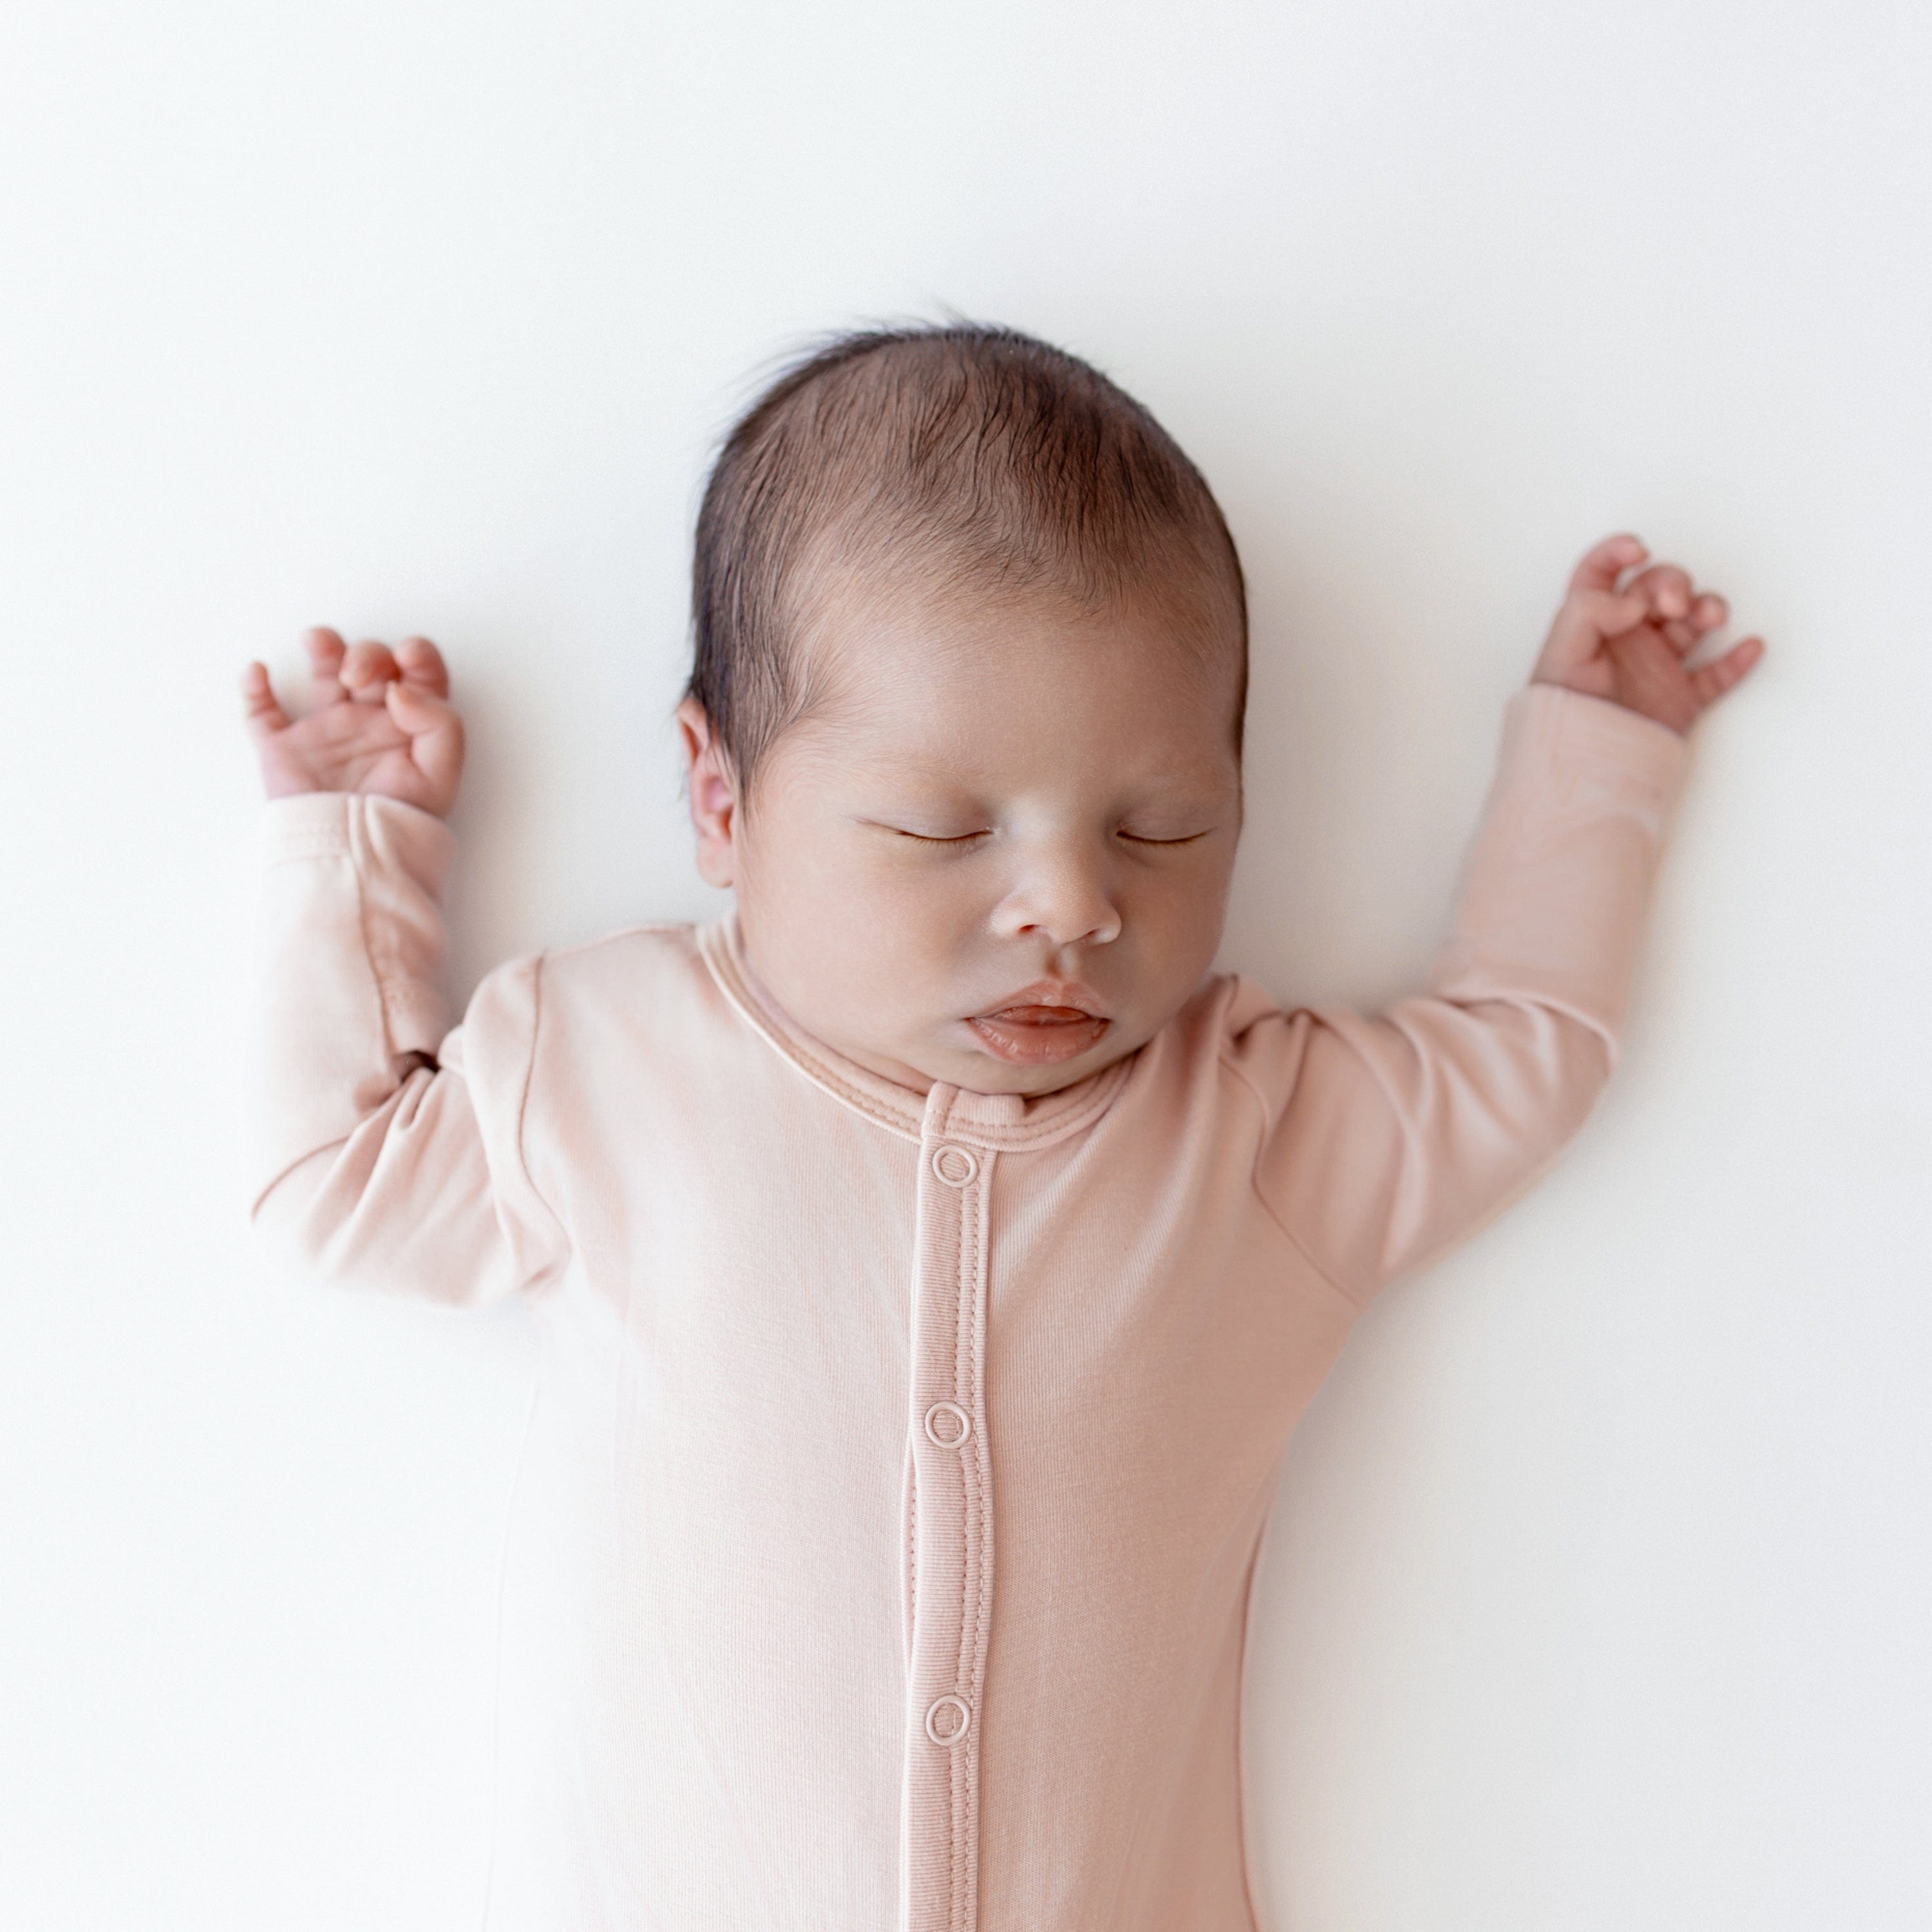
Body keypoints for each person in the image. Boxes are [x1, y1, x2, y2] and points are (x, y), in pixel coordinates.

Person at [238, 323, 1762, 1932]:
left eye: (1160, 831)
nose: (1071, 907)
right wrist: (356, 840)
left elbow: (1524, 1046)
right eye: (941, 828)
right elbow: (336, 1186)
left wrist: (1597, 753)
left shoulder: (1252, 1134)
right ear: (721, 796)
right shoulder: (604, 1061)